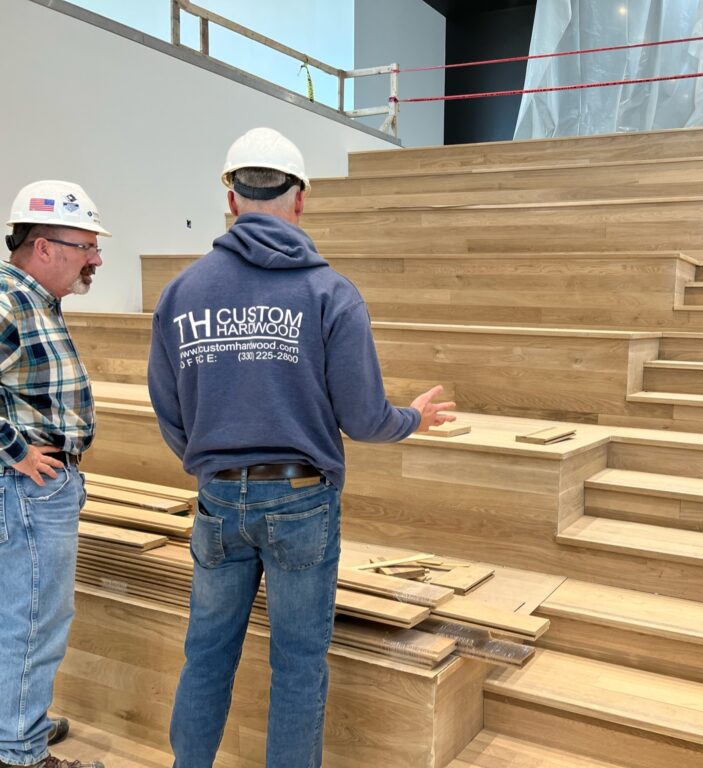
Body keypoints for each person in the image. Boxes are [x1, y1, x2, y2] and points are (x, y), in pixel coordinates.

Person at [147, 127, 455, 768]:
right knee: (297, 664)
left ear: (230, 199)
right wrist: (412, 419)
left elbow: (170, 411)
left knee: (206, 653)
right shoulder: (330, 294)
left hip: (217, 501)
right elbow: (364, 418)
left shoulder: (181, 293)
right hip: (301, 501)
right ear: (301, 199)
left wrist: (214, 464)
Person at [0, 180, 109, 768]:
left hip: (33, 489)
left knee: (25, 614)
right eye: (85, 246)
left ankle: (19, 724)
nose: (95, 259)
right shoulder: (10, 299)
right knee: (35, 620)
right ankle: (19, 750)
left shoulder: (34, 299)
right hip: (28, 488)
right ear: (43, 247)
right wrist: (16, 450)